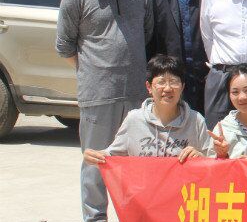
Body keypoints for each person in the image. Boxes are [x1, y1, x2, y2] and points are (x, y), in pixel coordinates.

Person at [56, 0, 154, 222]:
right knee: (96, 160)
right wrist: (94, 72)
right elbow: (65, 47)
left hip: (137, 94)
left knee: (138, 161)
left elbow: (147, 36)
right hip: (98, 94)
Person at [82, 55, 214, 166]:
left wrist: (200, 157)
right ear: (149, 87)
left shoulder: (195, 121)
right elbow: (112, 155)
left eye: (174, 82)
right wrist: (95, 156)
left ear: (182, 87)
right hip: (143, 189)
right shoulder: (134, 119)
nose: (168, 88)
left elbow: (212, 161)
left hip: (182, 189)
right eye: (161, 82)